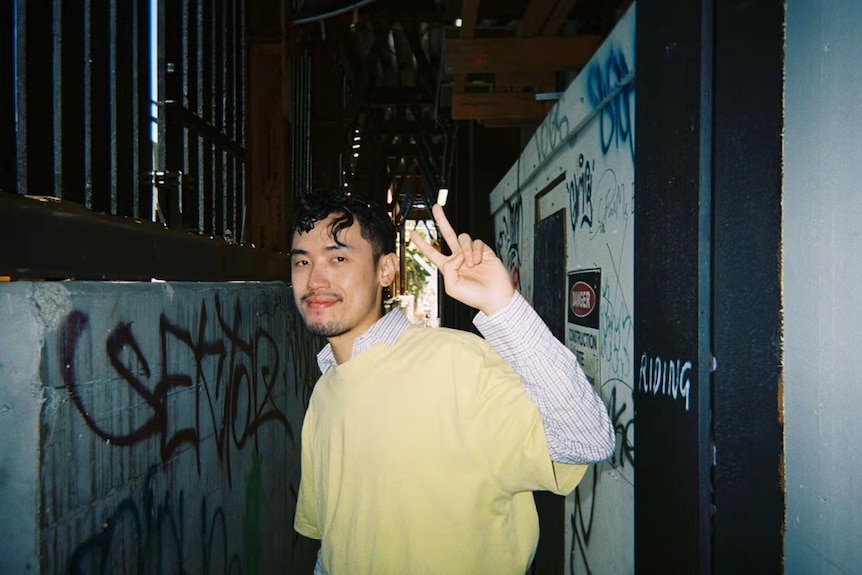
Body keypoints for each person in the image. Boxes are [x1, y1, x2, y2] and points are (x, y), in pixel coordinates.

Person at [289, 189, 614, 574]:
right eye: (302, 262)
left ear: (386, 270)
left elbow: (588, 439)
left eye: (338, 257)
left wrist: (502, 307)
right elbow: (335, 539)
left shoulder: (459, 362)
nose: (315, 278)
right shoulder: (325, 391)